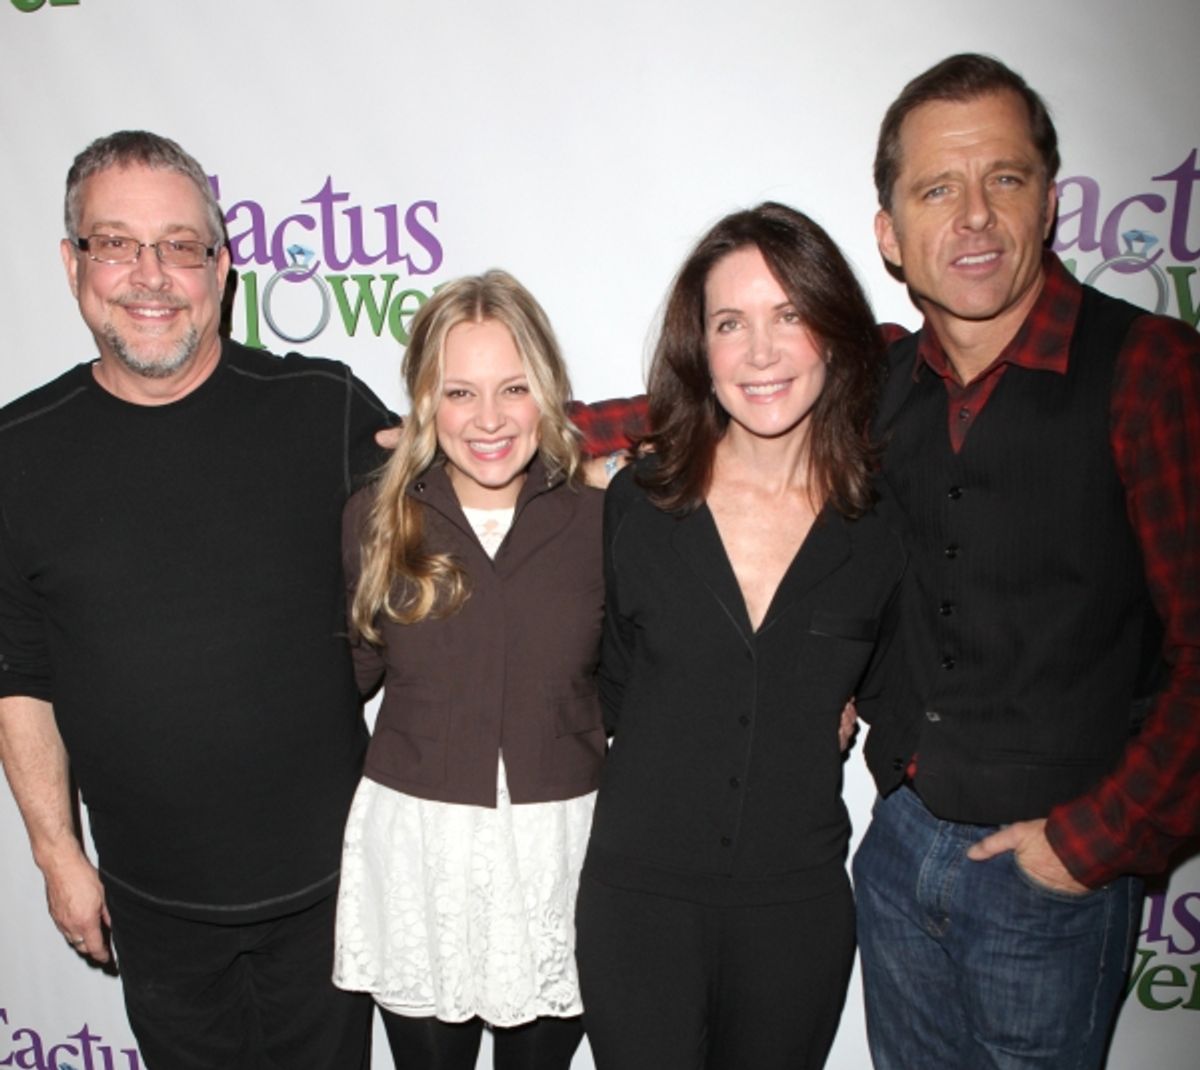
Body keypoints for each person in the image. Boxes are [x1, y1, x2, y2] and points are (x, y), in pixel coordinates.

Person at [0, 131, 390, 1068]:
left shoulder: (323, 407)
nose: (151, 275)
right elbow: (19, 677)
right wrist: (58, 856)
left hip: (330, 892)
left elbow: (472, 494)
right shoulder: (16, 454)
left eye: (180, 245)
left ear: (220, 268)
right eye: (116, 244)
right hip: (150, 906)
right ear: (72, 265)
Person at [851, 53, 1200, 1070]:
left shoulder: (1149, 371)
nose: (974, 215)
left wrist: (1091, 845)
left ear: (1048, 204)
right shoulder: (881, 377)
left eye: (1003, 178)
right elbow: (723, 402)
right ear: (890, 235)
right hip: (896, 852)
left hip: (1051, 882)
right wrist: (511, 425)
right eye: (936, 189)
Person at [575, 202, 906, 1070]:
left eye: (788, 315)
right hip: (637, 906)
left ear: (833, 332)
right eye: (730, 323)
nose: (760, 353)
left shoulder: (880, 524)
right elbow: (611, 692)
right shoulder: (639, 504)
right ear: (701, 350)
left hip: (794, 915)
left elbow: (904, 698)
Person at [333, 270, 603, 1070]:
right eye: (459, 392)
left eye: (513, 388)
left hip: (559, 856)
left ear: (546, 390)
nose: (488, 419)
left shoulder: (604, 521)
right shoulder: (376, 518)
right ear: (425, 401)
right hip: (419, 857)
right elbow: (341, 679)